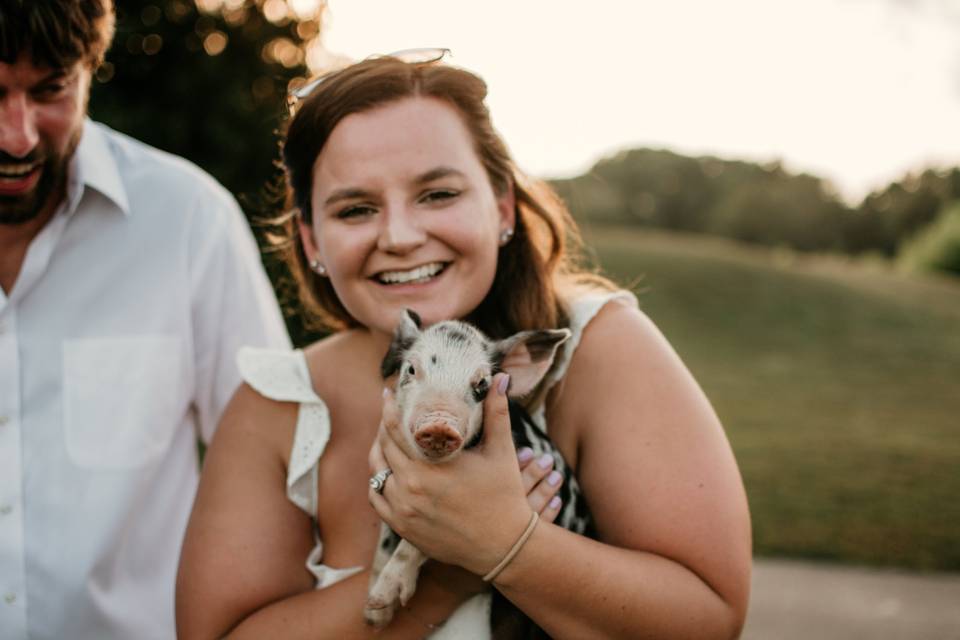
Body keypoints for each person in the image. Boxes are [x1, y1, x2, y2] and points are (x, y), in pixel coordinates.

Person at [176, 50, 751, 639]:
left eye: (438, 195)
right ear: (312, 240)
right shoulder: (277, 403)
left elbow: (707, 621)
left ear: (502, 204)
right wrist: (447, 569)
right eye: (356, 209)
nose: (400, 236)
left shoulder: (598, 349)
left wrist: (510, 546)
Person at [0, 2, 290, 638]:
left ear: (90, 68)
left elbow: (287, 473)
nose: (16, 136)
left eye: (50, 90)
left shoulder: (190, 222)